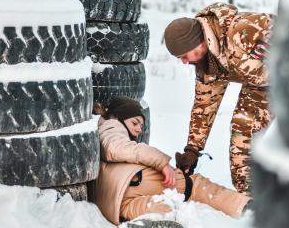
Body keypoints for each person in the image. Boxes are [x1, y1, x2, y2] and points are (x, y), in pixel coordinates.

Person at [164, 2, 274, 195]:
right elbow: (204, 107)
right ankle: (251, 202)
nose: (183, 62)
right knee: (242, 140)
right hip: (261, 86)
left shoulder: (245, 31)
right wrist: (192, 149)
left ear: (196, 42)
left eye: (183, 55)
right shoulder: (208, 65)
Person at [92, 96, 250, 225]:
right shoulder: (111, 127)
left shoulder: (107, 131)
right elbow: (117, 147)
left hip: (120, 205)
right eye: (135, 122)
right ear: (117, 117)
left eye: (141, 125)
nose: (140, 129)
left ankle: (154, 219)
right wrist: (163, 164)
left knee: (162, 210)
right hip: (130, 184)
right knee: (195, 185)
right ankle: (246, 207)